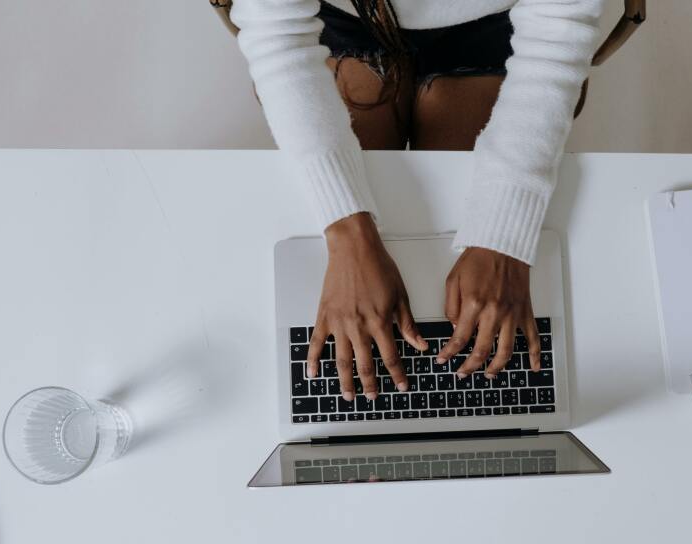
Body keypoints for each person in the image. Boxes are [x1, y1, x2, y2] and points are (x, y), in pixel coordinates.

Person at [232, 0, 602, 402]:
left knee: (466, 309)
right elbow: (277, 34)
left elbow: (560, 24)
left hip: (494, 20)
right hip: (346, 18)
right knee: (358, 311)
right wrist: (347, 233)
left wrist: (503, 237)